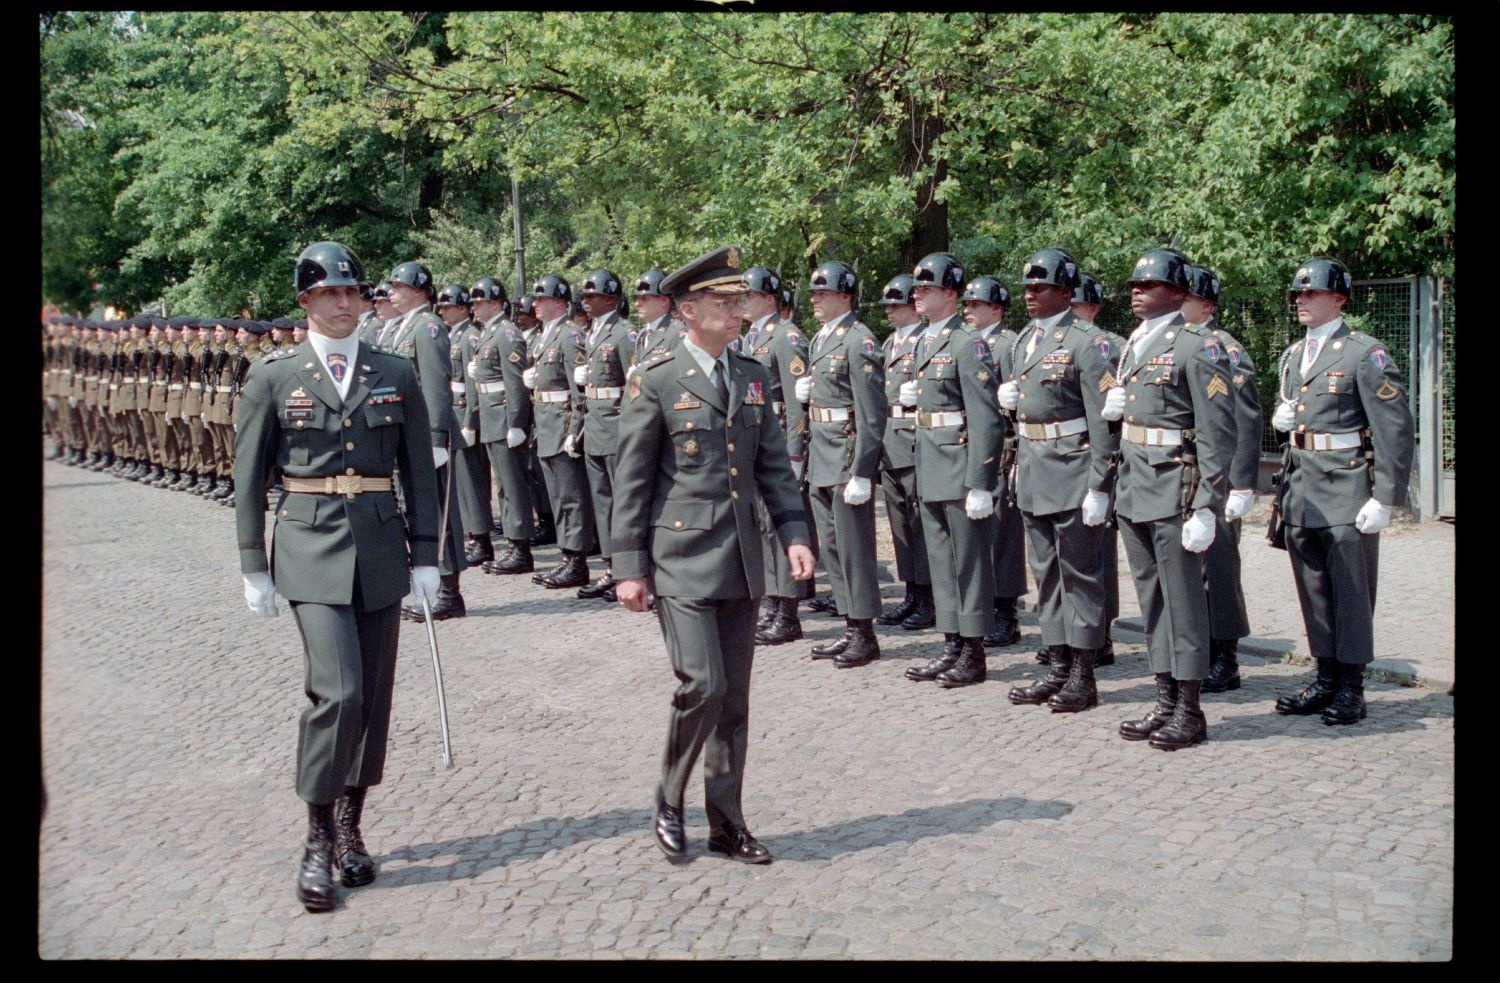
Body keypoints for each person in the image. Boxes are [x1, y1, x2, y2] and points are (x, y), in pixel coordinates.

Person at [234, 241, 441, 912]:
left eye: (351, 291)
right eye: (329, 293)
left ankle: (353, 824)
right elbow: (247, 477)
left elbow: (417, 469)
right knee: (340, 692)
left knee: (373, 699)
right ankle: (317, 835)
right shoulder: (274, 375)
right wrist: (252, 565)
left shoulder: (395, 370)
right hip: (308, 545)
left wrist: (430, 556)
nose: (344, 302)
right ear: (306, 302)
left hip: (381, 547)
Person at [612, 244, 813, 864]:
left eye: (739, 301)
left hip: (741, 556)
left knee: (733, 699)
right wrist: (628, 567)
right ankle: (668, 798)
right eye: (724, 303)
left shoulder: (750, 374)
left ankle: (726, 821)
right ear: (688, 310)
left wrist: (795, 533)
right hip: (679, 554)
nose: (738, 311)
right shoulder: (659, 374)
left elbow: (773, 467)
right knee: (701, 684)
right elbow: (633, 477)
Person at [1101, 248, 1236, 750]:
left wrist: (1207, 503)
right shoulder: (1134, 344)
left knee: (1183, 602)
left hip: (1175, 487)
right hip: (1136, 484)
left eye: (1150, 284)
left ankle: (1191, 709)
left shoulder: (1196, 346)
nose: (1137, 290)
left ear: (1178, 294)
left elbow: (1217, 434)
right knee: (1153, 601)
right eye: (1135, 284)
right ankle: (1165, 700)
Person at [1271, 257, 1414, 725]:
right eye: (1297, 293)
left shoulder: (1362, 353)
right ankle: (1325, 676)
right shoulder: (1294, 355)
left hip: (1346, 484)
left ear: (1338, 299)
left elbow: (1393, 428)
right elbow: (1295, 408)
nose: (1301, 300)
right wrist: (1281, 421)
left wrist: (1385, 498)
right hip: (1301, 486)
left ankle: (1352, 685)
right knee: (1312, 588)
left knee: (1350, 591)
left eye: (1311, 293)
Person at [999, 248, 1118, 713]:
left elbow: (1103, 421)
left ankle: (1084, 674)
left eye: (1040, 287)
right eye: (1028, 287)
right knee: (1047, 576)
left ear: (1066, 292)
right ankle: (1057, 665)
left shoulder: (1087, 342)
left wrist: (1099, 486)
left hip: (1072, 469)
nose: (1030, 295)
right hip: (1033, 467)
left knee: (1079, 576)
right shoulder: (1024, 339)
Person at [898, 252, 1004, 687]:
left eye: (926, 288)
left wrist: (981, 481)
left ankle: (974, 650)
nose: (917, 294)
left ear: (950, 294)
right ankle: (951, 643)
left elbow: (986, 417)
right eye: (916, 288)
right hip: (929, 459)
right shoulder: (925, 340)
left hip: (959, 464)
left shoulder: (967, 342)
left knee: (968, 563)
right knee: (940, 560)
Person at [796, 261, 887, 668]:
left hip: (846, 455)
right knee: (832, 547)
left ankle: (864, 632)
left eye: (824, 293)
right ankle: (850, 625)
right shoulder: (821, 338)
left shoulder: (859, 340)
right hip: (821, 451)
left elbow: (871, 414)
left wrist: (863, 472)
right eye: (814, 294)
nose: (816, 300)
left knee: (854, 549)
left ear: (845, 297)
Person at [1181, 266, 1260, 692]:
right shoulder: (1173, 344)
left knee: (1219, 566)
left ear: (1206, 305)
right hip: (1182, 473)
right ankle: (1196, 651)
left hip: (1218, 476)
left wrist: (1242, 484)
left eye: (1185, 299)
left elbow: (1246, 420)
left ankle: (1224, 657)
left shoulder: (1223, 348)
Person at [384, 262, 469, 620]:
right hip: (406, 434)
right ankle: (430, 586)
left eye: (397, 285)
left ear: (417, 289)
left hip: (428, 436)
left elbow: (436, 384)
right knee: (417, 511)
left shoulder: (428, 326)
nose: (390, 291)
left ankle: (449, 592)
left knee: (440, 514)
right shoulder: (399, 328)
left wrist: (436, 437)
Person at [740, 265, 812, 646]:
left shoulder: (785, 337)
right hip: (755, 441)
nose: (742, 302)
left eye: (748, 295)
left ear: (769, 298)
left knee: (778, 523)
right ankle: (772, 603)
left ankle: (788, 611)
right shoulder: (750, 338)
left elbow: (797, 401)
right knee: (762, 526)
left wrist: (796, 452)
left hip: (779, 440)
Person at [963, 275, 1026, 648]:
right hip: (970, 446)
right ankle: (985, 607)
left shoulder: (1007, 343)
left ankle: (1006, 612)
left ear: (996, 309)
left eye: (976, 305)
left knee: (1002, 533)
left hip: (1001, 448)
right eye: (967, 304)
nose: (968, 310)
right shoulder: (968, 343)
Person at [524, 274, 595, 588]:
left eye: (542, 299)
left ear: (559, 302)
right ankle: (567, 554)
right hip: (545, 420)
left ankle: (577, 559)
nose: (535, 305)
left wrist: (574, 430)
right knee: (556, 495)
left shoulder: (569, 335)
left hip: (562, 422)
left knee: (571, 496)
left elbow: (578, 390)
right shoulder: (544, 336)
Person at [875, 274, 936, 631]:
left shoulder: (924, 342)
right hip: (890, 440)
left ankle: (928, 597)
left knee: (919, 524)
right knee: (900, 523)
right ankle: (912, 592)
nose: (890, 312)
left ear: (914, 305)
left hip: (913, 439)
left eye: (896, 304)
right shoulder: (890, 343)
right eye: (888, 306)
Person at [574, 269, 638, 602]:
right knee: (602, 502)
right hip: (595, 424)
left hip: (616, 424)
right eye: (584, 296)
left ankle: (628, 569)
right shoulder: (592, 332)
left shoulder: (624, 333)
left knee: (621, 501)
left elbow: (633, 384)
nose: (585, 302)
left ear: (610, 298)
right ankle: (611, 568)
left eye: (592, 296)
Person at [466, 277, 536, 574]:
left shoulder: (506, 333)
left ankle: (520, 547)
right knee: (503, 487)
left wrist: (517, 422)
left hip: (504, 416)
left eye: (479, 303)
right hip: (491, 416)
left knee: (512, 485)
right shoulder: (488, 333)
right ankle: (512, 541)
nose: (474, 309)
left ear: (495, 302)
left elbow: (515, 382)